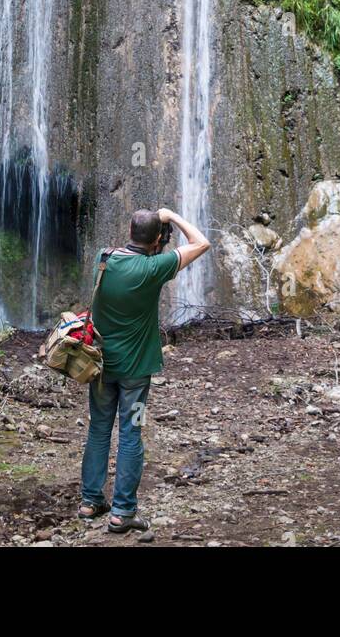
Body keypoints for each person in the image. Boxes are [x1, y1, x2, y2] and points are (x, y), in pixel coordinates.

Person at [78, 205, 211, 534]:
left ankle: (90, 501)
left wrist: (153, 232)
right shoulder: (156, 267)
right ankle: (122, 512)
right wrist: (172, 216)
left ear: (129, 230)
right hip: (135, 373)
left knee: (98, 430)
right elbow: (201, 242)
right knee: (131, 432)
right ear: (157, 241)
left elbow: (133, 250)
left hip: (100, 367)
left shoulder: (104, 258)